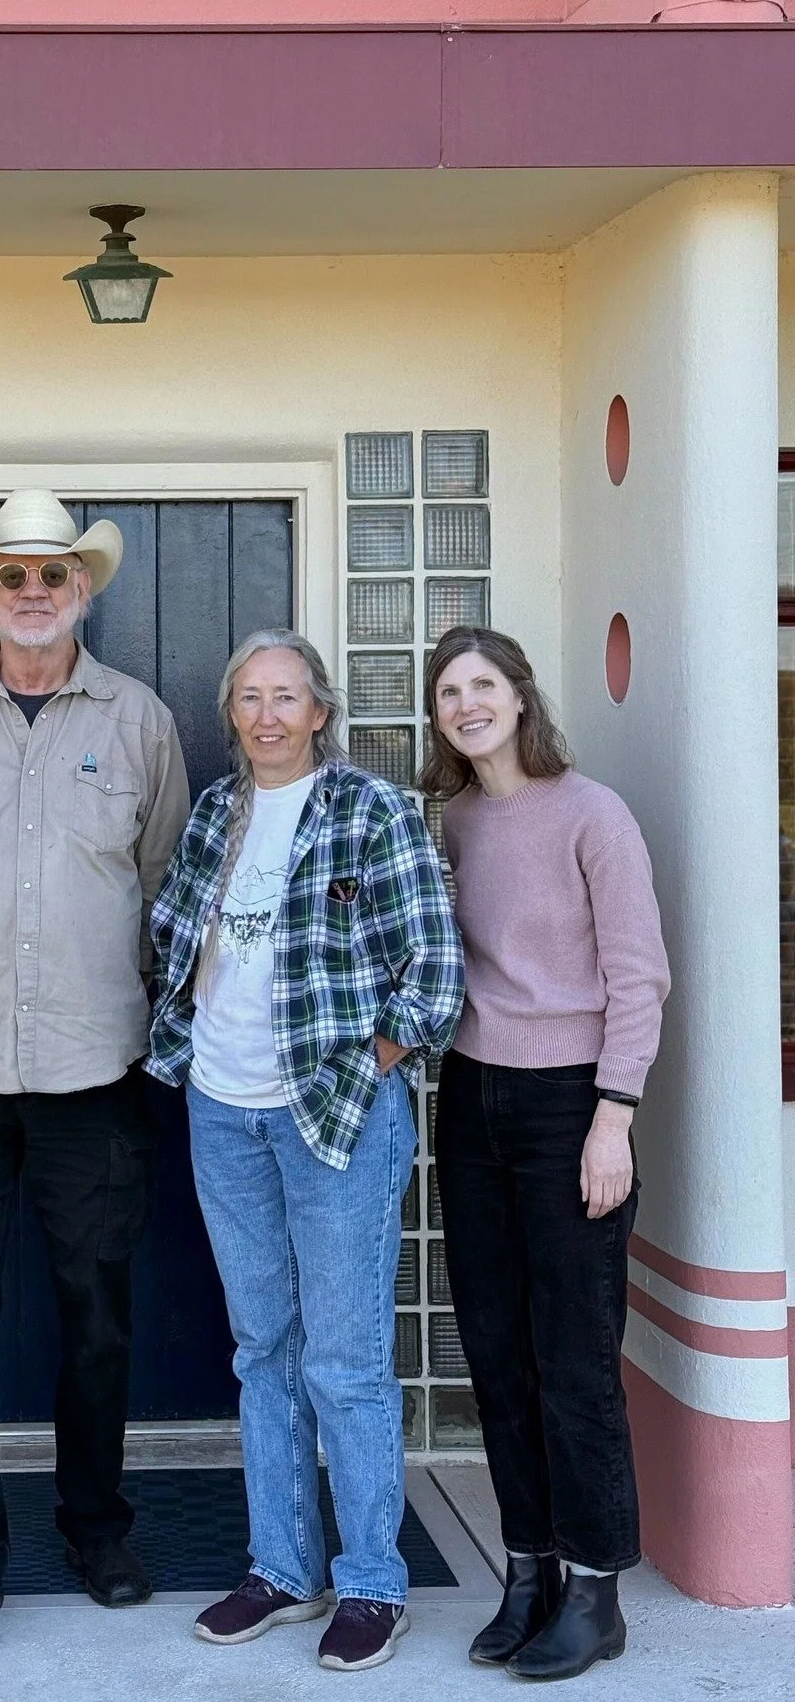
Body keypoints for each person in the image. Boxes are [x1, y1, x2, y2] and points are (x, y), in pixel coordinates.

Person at [0, 489, 189, 1653]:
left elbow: (162, 886)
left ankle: (96, 1529)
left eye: (51, 574)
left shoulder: (141, 720)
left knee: (97, 1318)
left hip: (95, 1064)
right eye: (10, 573)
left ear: (83, 589)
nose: (30, 592)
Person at [148, 630, 462, 1674]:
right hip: (222, 1109)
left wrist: (369, 1062)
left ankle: (372, 1581)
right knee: (264, 1351)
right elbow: (172, 935)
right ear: (231, 715)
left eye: (286, 696)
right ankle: (282, 1569)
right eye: (249, 697)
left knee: (345, 1358)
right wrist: (188, 1039)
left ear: (320, 711)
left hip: (334, 1115)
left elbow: (435, 970)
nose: (267, 715)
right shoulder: (215, 813)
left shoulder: (372, 811)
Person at [425, 627, 669, 1681]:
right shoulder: (454, 821)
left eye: (483, 684)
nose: (467, 704)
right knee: (495, 1349)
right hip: (470, 1097)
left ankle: (596, 1589)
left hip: (571, 1104)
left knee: (574, 1357)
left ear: (521, 697)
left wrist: (614, 1117)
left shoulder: (592, 814)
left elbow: (638, 975)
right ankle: (528, 1572)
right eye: (448, 692)